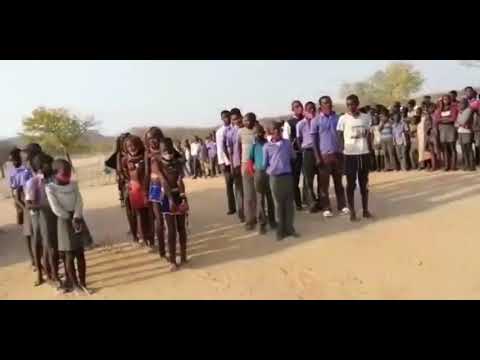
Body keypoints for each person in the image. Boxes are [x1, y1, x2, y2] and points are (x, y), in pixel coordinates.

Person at [46, 159, 93, 295]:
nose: (67, 177)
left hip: (77, 219)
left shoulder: (73, 185)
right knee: (69, 255)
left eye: (69, 174)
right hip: (64, 221)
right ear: (55, 174)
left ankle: (83, 283)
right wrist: (68, 217)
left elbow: (79, 200)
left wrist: (77, 216)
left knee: (80, 253)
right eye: (64, 174)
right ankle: (75, 284)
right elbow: (55, 208)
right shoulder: (50, 188)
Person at [153, 138, 189, 271]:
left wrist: (183, 197)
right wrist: (171, 199)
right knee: (171, 230)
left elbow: (180, 181)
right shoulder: (157, 163)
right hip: (166, 198)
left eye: (169, 149)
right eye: (164, 149)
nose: (168, 151)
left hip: (178, 195)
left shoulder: (178, 162)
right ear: (160, 150)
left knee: (181, 228)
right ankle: (173, 260)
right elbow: (163, 181)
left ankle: (184, 255)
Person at [25, 152, 59, 288]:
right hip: (39, 216)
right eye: (48, 164)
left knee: (50, 246)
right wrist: (45, 205)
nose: (51, 166)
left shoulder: (52, 179)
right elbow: (28, 204)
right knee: (43, 245)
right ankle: (46, 274)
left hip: (50, 215)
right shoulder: (32, 182)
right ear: (40, 166)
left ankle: (51, 273)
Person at [337, 94, 373, 222]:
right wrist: (343, 151)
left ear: (357, 104)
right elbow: (339, 136)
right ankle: (352, 211)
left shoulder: (366, 117)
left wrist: (370, 150)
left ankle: (365, 210)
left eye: (353, 104)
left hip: (364, 154)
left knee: (364, 184)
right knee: (351, 185)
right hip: (350, 156)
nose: (350, 107)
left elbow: (369, 135)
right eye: (348, 104)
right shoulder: (343, 119)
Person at [311, 96, 349, 218]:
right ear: (320, 106)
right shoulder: (315, 120)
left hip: (337, 154)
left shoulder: (338, 118)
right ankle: (326, 207)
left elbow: (343, 136)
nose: (328, 104)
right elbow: (314, 141)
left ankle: (342, 205)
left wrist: (343, 152)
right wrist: (317, 157)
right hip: (324, 156)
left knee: (339, 182)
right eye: (325, 103)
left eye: (329, 102)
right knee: (324, 185)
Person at [264, 121, 299, 241]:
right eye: (274, 129)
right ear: (270, 132)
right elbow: (265, 164)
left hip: (287, 177)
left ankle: (290, 229)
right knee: (278, 205)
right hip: (275, 179)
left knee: (289, 204)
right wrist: (273, 170)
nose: (277, 131)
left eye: (279, 129)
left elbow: (292, 157)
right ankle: (280, 231)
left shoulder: (287, 143)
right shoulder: (267, 147)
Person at [122, 135, 154, 248]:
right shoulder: (125, 160)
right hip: (135, 189)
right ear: (126, 147)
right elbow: (125, 174)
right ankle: (144, 239)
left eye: (134, 145)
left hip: (147, 187)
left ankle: (151, 237)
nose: (132, 148)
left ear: (138, 144)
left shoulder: (145, 156)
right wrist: (129, 183)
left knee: (150, 213)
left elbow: (148, 172)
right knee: (139, 214)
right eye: (129, 146)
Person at [247, 123, 276, 235]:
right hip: (258, 174)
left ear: (263, 134)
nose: (257, 135)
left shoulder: (269, 145)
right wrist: (252, 172)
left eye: (259, 132)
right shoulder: (254, 146)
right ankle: (262, 224)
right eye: (255, 133)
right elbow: (250, 161)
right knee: (260, 199)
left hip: (268, 173)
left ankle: (272, 221)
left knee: (270, 198)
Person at [8, 147, 34, 269]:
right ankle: (33, 259)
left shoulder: (27, 170)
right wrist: (23, 207)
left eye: (15, 159)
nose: (14, 162)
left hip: (29, 200)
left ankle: (37, 258)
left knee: (34, 232)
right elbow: (15, 193)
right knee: (27, 233)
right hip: (22, 203)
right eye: (12, 160)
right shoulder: (13, 173)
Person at [144, 127, 167, 257]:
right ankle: (162, 250)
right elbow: (147, 173)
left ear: (160, 138)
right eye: (149, 139)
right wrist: (145, 191)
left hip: (167, 187)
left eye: (155, 138)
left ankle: (170, 244)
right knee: (158, 219)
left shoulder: (167, 150)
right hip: (154, 187)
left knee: (168, 216)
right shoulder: (147, 154)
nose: (152, 141)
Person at [297, 101, 318, 213]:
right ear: (305, 110)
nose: (312, 111)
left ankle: (321, 201)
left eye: (313, 108)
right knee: (308, 179)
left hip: (319, 151)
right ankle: (311, 203)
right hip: (307, 151)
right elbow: (298, 140)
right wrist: (303, 151)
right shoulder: (300, 124)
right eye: (309, 109)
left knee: (321, 177)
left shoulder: (318, 121)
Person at [224, 108, 245, 223]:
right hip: (237, 164)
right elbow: (230, 150)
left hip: (249, 164)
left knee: (251, 189)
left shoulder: (248, 129)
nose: (236, 121)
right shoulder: (230, 133)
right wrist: (231, 165)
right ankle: (242, 213)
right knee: (239, 190)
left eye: (237, 118)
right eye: (233, 119)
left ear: (241, 117)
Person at [237, 112, 257, 230]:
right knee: (248, 194)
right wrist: (241, 164)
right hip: (245, 164)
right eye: (244, 120)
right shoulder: (240, 132)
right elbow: (238, 149)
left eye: (248, 120)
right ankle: (250, 219)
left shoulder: (257, 131)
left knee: (258, 193)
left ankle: (260, 216)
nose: (245, 122)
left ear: (254, 121)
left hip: (257, 164)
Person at [284, 101, 304, 211]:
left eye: (300, 106)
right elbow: (287, 141)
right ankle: (298, 203)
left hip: (308, 152)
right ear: (293, 109)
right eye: (296, 107)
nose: (299, 108)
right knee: (295, 180)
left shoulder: (306, 119)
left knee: (308, 179)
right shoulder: (289, 123)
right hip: (295, 154)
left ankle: (310, 200)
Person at [216, 110, 236, 215]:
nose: (226, 119)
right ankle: (232, 207)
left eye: (228, 116)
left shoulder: (234, 129)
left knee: (238, 185)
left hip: (235, 161)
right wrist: (221, 163)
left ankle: (241, 206)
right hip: (225, 162)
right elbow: (219, 148)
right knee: (229, 185)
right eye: (224, 117)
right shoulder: (219, 132)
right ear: (222, 118)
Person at [435, 94, 459, 171]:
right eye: (444, 99)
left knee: (452, 148)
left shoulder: (453, 107)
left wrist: (443, 120)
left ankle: (453, 166)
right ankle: (446, 166)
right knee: (445, 149)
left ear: (450, 99)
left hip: (451, 129)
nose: (445, 100)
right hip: (442, 130)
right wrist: (446, 119)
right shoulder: (440, 109)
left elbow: (453, 118)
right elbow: (437, 119)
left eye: (447, 99)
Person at [456, 98, 475, 171]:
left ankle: (471, 165)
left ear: (466, 103)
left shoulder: (468, 110)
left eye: (462, 103)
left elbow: (462, 121)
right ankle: (466, 165)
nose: (460, 104)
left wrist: (459, 123)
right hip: (460, 131)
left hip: (467, 132)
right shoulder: (460, 111)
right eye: (460, 103)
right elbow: (457, 122)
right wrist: (459, 123)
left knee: (469, 149)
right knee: (463, 150)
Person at [423, 102, 439, 171]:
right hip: (430, 135)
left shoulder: (434, 115)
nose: (429, 109)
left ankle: (435, 166)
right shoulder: (429, 115)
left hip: (433, 134)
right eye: (428, 108)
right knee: (432, 151)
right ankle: (434, 166)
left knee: (435, 151)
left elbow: (429, 126)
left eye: (430, 107)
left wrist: (427, 131)